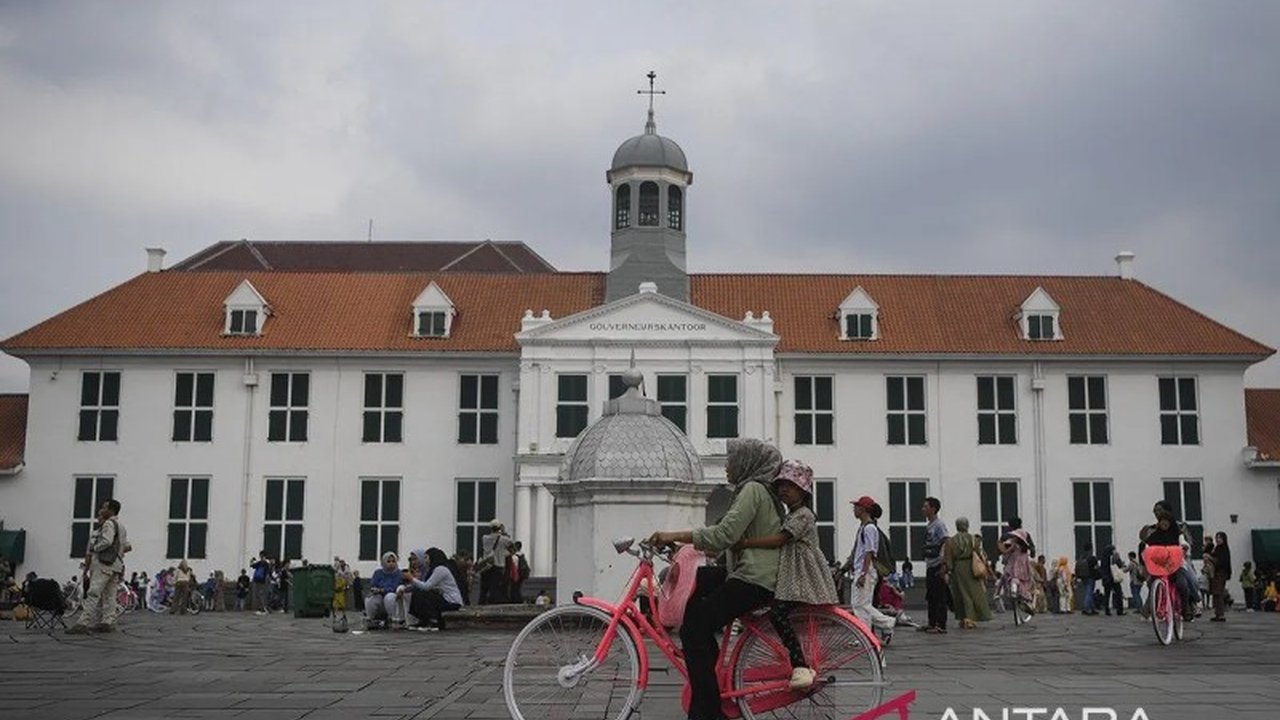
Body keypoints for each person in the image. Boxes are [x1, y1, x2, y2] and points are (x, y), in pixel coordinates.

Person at [649, 438, 784, 720]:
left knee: (693, 630)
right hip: (748, 572)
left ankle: (708, 712)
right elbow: (721, 540)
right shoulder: (756, 491)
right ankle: (707, 661)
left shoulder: (752, 490)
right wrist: (681, 546)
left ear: (746, 462)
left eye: (730, 459)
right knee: (701, 580)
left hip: (754, 578)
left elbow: (724, 535)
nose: (726, 466)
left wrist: (673, 534)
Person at [731, 459, 838, 690]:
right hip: (791, 575)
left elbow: (781, 539)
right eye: (781, 485)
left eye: (790, 486)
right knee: (774, 611)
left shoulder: (804, 515)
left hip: (801, 577)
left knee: (778, 615)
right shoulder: (792, 513)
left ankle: (799, 665)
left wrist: (747, 542)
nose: (783, 490)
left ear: (803, 490)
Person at [67, 499, 130, 634]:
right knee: (110, 595)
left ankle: (83, 623)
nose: (102, 509)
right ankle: (108, 621)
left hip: (104, 564)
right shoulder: (121, 526)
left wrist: (95, 548)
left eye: (104, 507)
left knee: (94, 593)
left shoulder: (108, 524)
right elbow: (126, 546)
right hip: (115, 565)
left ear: (111, 510)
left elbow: (107, 541)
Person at [842, 496, 897, 643]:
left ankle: (886, 624)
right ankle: (867, 635)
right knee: (861, 606)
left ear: (864, 509)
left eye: (857, 506)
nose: (854, 509)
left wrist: (863, 574)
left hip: (866, 571)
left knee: (861, 605)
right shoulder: (864, 527)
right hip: (862, 570)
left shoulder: (870, 528)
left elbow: (869, 552)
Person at [1137, 501, 1196, 620]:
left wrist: (1183, 548)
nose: (1156, 513)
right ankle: (1153, 610)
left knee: (1187, 581)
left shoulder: (1179, 527)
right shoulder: (1154, 529)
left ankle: (1192, 604)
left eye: (1159, 510)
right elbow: (1147, 545)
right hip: (1160, 564)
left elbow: (1186, 542)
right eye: (1155, 511)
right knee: (1153, 583)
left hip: (1177, 560)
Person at [399, 547, 465, 631]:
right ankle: (423, 620)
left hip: (452, 601)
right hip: (443, 598)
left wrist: (411, 578)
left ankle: (432, 621)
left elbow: (426, 586)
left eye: (426, 557)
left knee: (425, 594)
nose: (425, 560)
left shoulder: (440, 569)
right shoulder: (433, 570)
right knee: (419, 592)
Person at [944, 517, 992, 629]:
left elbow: (949, 558)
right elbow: (980, 554)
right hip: (971, 567)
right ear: (967, 525)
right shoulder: (973, 539)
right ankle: (970, 618)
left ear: (957, 526)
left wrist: (950, 569)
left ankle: (963, 617)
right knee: (973, 593)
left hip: (958, 568)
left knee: (960, 593)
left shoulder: (952, 540)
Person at [920, 496, 950, 634]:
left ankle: (941, 625)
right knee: (931, 596)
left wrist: (944, 564)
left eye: (926, 506)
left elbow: (946, 542)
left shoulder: (939, 525)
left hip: (938, 564)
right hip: (930, 565)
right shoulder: (929, 525)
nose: (923, 509)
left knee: (939, 596)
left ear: (933, 509)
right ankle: (931, 623)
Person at [998, 526, 1035, 613]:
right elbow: (1032, 553)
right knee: (1024, 581)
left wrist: (1002, 546)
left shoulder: (1013, 545)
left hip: (1013, 565)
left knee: (1010, 577)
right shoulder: (1025, 548)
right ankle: (1023, 597)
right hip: (1023, 567)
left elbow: (1005, 552)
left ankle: (1011, 592)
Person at [478, 520, 514, 605]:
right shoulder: (504, 540)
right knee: (495, 588)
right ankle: (493, 605)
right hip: (498, 566)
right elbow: (513, 548)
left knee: (484, 589)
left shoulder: (484, 538)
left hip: (486, 566)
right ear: (499, 528)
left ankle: (481, 604)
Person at [365, 552, 402, 628]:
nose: (391, 564)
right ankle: (371, 619)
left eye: (393, 561)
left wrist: (382, 590)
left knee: (389, 597)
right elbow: (373, 584)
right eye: (388, 561)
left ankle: (392, 618)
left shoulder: (398, 573)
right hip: (379, 596)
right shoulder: (378, 573)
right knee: (371, 599)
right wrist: (374, 589)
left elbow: (394, 587)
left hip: (392, 597)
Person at [1209, 532, 1232, 622]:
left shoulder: (1223, 549)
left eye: (1220, 538)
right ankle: (1217, 614)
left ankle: (1220, 614)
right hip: (1217, 573)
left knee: (1218, 593)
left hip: (1221, 572)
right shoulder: (1217, 548)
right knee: (1216, 593)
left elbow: (1223, 562)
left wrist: (1211, 559)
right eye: (1217, 537)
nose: (1218, 539)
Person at [1100, 546, 1125, 616]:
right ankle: (1120, 610)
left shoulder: (1103, 558)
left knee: (1107, 595)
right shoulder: (1114, 556)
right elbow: (1119, 564)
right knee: (1118, 594)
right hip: (1114, 578)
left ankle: (1107, 610)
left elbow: (1102, 569)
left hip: (1106, 579)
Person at [1076, 544, 1099, 615]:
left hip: (1083, 577)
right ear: (1091, 550)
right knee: (1088, 593)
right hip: (1091, 577)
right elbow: (1097, 567)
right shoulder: (1092, 558)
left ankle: (1092, 608)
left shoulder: (1082, 557)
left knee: (1088, 592)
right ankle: (1085, 608)